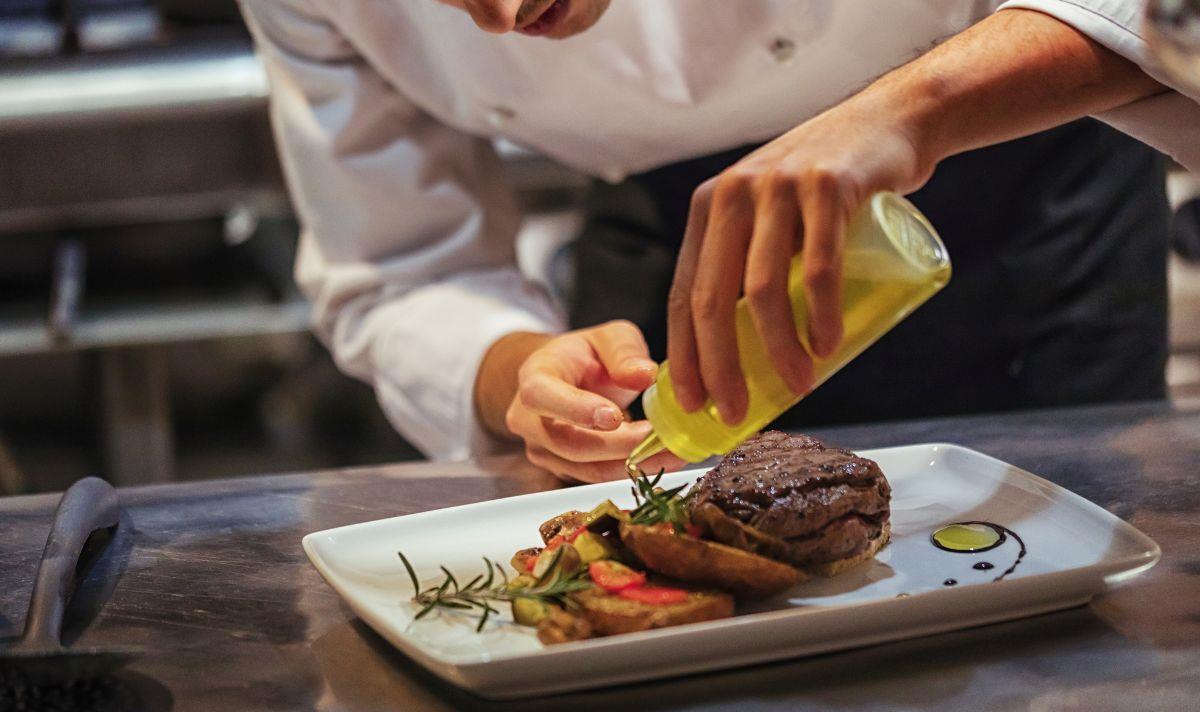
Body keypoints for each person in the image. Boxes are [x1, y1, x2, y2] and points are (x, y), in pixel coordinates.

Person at [239, 0, 1200, 482]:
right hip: (674, 241)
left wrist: (913, 111)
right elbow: (399, 269)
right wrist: (518, 372)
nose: (498, 16)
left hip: (1008, 177)